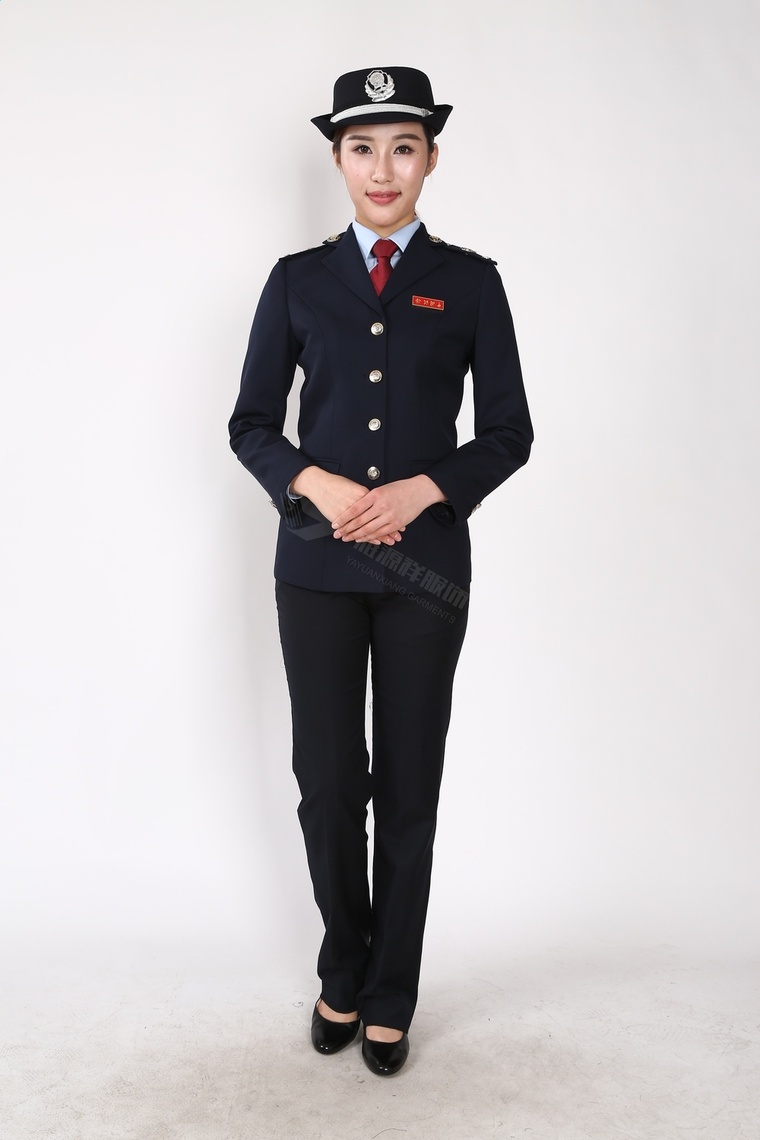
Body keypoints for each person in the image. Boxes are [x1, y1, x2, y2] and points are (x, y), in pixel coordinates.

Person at [229, 66, 532, 1077]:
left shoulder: (471, 282)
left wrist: (423, 491)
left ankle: (391, 991)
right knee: (328, 786)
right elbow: (249, 423)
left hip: (423, 577)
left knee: (407, 790)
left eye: (403, 147)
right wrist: (309, 479)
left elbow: (509, 432)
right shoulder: (296, 281)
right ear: (338, 160)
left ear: (430, 159)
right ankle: (344, 968)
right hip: (315, 572)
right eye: (363, 148)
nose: (383, 169)